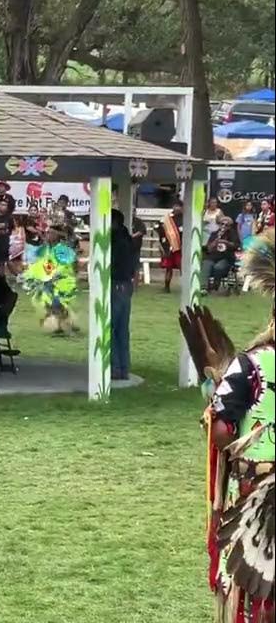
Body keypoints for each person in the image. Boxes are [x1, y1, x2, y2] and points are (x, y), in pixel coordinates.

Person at [182, 230, 274, 622]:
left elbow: (223, 433)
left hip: (259, 496)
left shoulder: (251, 364)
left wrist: (214, 410)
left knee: (259, 593)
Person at [110, 209, 138, 380]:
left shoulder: (116, 241)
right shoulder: (128, 239)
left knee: (110, 327)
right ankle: (123, 368)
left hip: (117, 284)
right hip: (126, 285)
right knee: (121, 329)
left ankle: (115, 367)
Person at [205, 216, 241, 292]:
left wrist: (226, 242)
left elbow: (236, 246)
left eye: (226, 225)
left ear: (230, 226)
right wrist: (215, 241)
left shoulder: (233, 234)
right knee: (206, 264)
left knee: (218, 267)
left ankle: (215, 284)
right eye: (222, 224)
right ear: (219, 224)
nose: (223, 226)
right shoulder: (214, 233)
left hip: (226, 258)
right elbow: (208, 248)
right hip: (213, 257)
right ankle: (203, 287)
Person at [159, 199, 184, 293]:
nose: (176, 208)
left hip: (181, 247)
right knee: (168, 268)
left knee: (182, 267)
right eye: (175, 205)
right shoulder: (166, 218)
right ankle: (166, 286)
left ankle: (185, 286)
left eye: (179, 206)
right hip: (168, 247)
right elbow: (160, 232)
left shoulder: (185, 218)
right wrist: (162, 246)